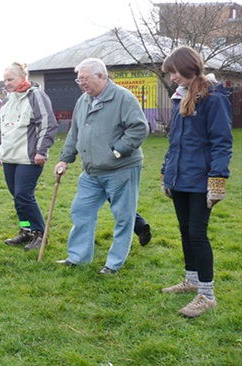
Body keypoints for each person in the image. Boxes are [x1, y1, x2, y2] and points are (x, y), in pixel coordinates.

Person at [53, 58, 149, 274]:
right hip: (91, 172)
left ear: (101, 76)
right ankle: (78, 257)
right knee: (80, 211)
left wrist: (117, 150)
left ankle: (113, 265)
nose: (81, 83)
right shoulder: (83, 101)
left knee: (123, 218)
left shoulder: (123, 97)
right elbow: (74, 132)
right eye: (78, 79)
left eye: (84, 78)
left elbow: (139, 128)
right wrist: (65, 159)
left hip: (121, 169)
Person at [159, 46, 232, 318]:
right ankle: (192, 280)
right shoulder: (180, 97)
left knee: (198, 234)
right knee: (185, 230)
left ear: (189, 67)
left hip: (201, 180)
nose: (172, 77)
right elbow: (174, 141)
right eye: (170, 73)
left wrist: (217, 180)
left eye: (175, 72)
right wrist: (166, 173)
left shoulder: (214, 98)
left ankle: (207, 295)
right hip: (180, 179)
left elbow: (222, 142)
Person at [0, 62, 58, 251]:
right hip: (9, 157)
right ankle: (25, 230)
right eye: (5, 80)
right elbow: (1, 128)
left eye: (10, 79)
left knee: (24, 195)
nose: (7, 83)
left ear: (23, 77)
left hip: (29, 158)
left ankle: (40, 234)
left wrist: (41, 151)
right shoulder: (6, 100)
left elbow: (48, 124)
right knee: (17, 196)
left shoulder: (36, 96)